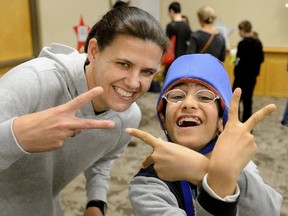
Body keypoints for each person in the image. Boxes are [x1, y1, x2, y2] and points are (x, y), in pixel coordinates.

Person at [0, 6, 168, 216]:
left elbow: (103, 159)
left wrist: (96, 202)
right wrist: (17, 136)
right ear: (94, 51)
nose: (134, 83)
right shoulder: (35, 81)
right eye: (124, 64)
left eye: (147, 72)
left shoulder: (129, 116)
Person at [126, 54, 282, 215]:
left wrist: (204, 171)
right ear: (163, 119)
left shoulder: (241, 164)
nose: (188, 104)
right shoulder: (147, 185)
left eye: (205, 97)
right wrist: (217, 177)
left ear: (222, 121)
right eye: (177, 96)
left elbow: (269, 211)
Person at [232, 20, 264, 122]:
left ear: (243, 30)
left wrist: (235, 62)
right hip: (252, 77)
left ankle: (235, 122)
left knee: (235, 101)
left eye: (239, 30)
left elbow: (238, 60)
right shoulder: (258, 42)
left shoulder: (242, 44)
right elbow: (261, 59)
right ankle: (247, 124)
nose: (238, 33)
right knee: (248, 101)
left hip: (241, 77)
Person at [163, 1, 192, 78]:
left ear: (172, 11)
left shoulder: (171, 26)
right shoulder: (187, 26)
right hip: (184, 60)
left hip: (172, 60)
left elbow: (166, 42)